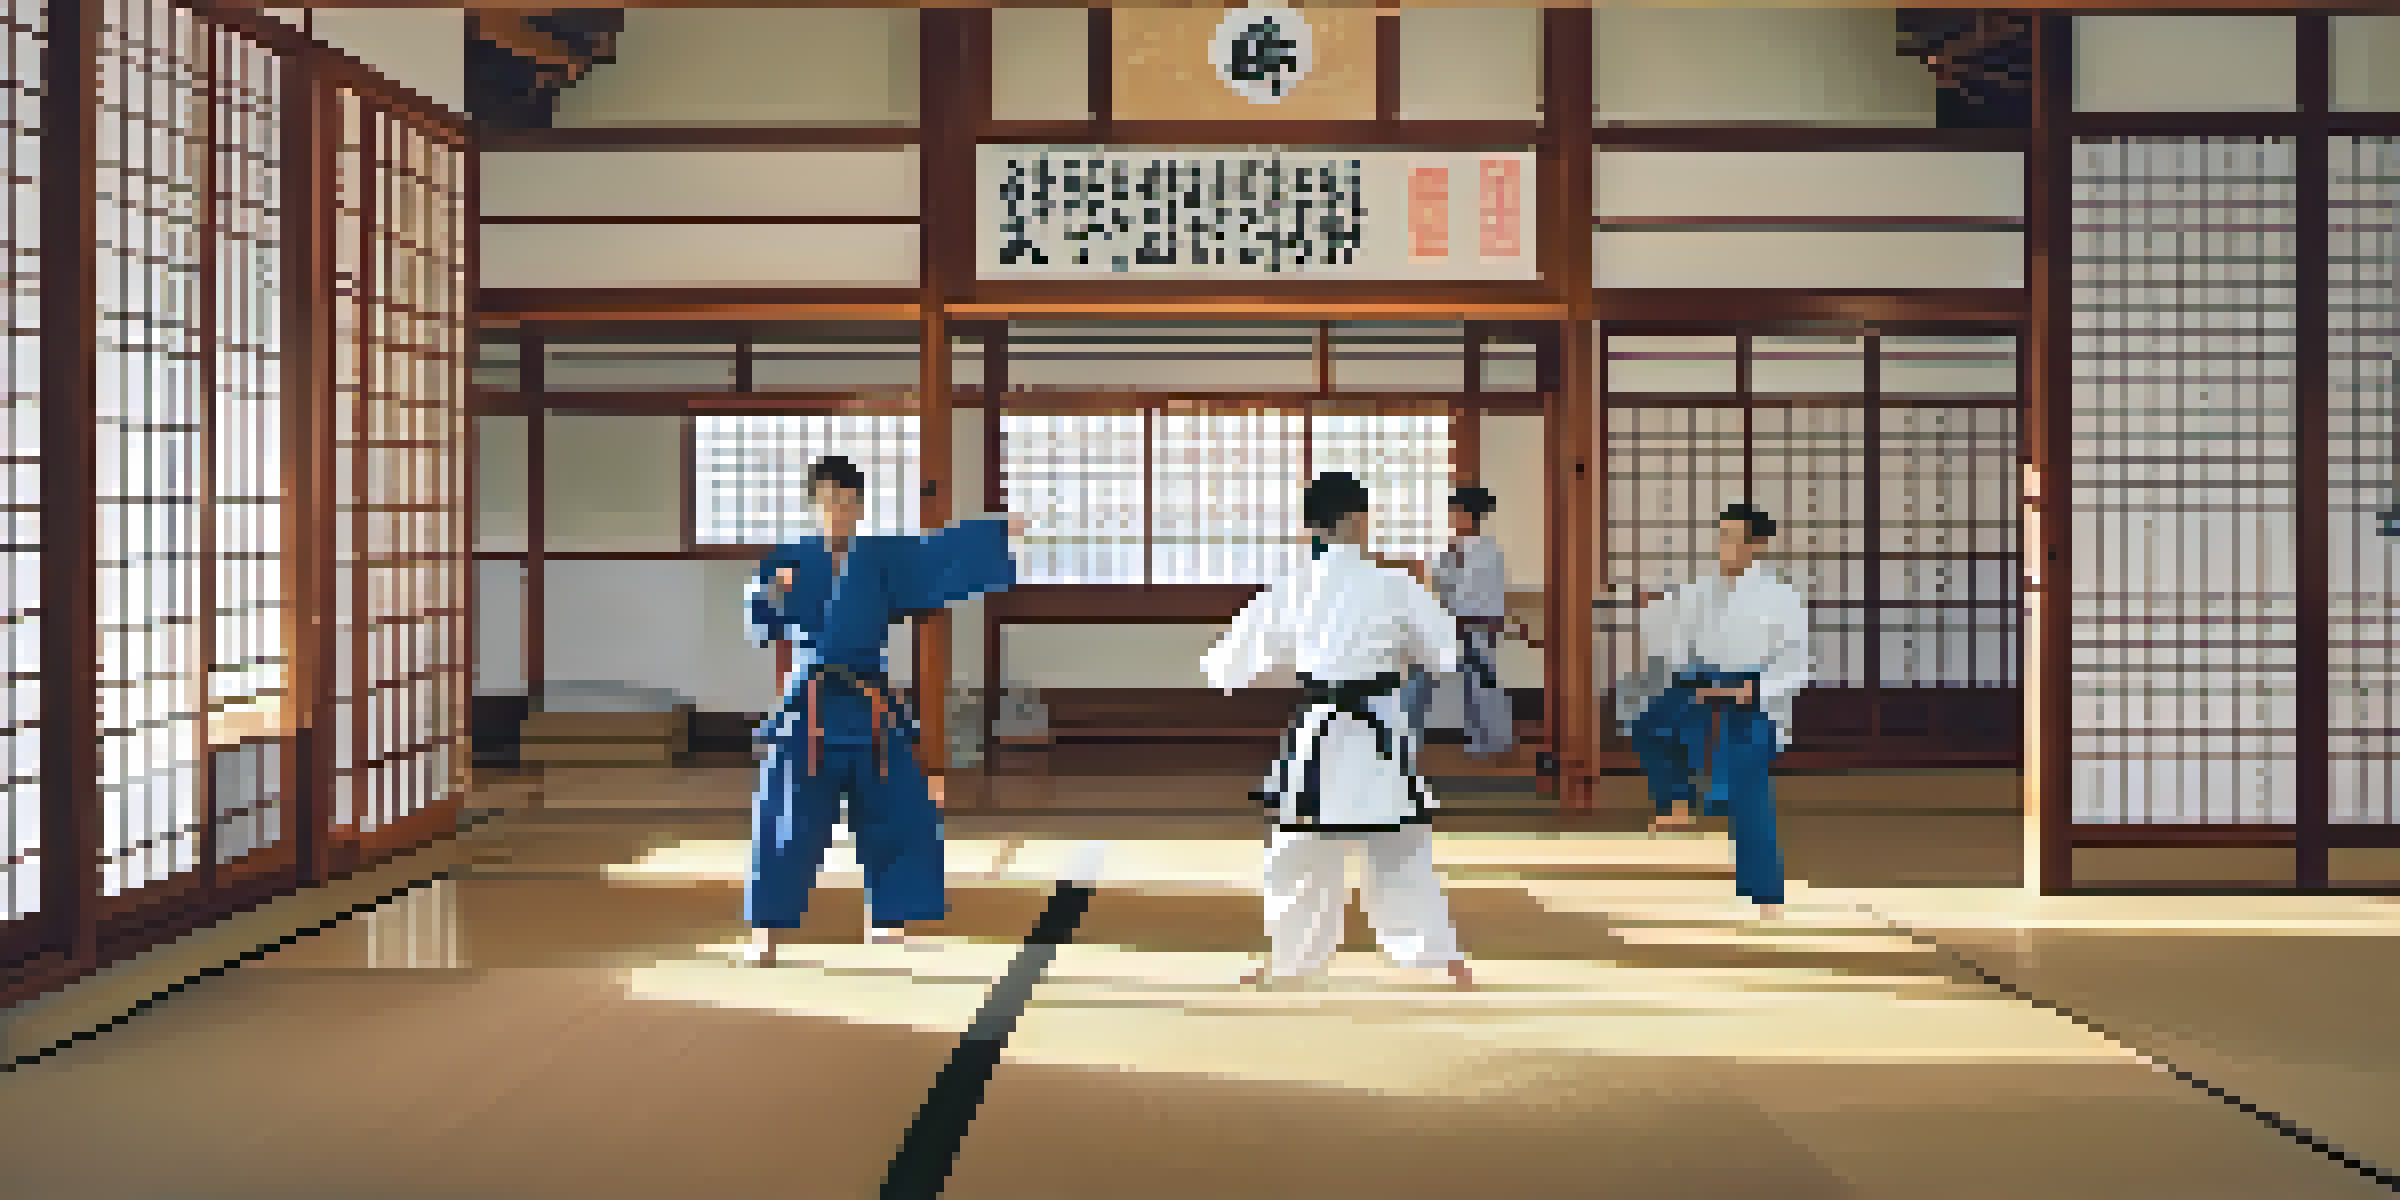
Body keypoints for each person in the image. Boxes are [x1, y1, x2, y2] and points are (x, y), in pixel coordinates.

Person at [743, 456, 1025, 964]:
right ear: (814, 505)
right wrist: (771, 594)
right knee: (787, 817)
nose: (839, 511)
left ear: (860, 506)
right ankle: (768, 929)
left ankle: (887, 916)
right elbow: (757, 622)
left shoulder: (881, 558)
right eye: (830, 501)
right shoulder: (787, 560)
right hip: (809, 707)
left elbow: (937, 554)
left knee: (899, 808)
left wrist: (997, 535)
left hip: (870, 703)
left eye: (849, 501)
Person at [1202, 472, 1476, 990]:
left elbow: (1229, 664)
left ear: (1312, 528)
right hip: (1379, 726)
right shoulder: (1395, 584)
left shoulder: (1294, 586)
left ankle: (1290, 959)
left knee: (1298, 849)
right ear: (1358, 520)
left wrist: (1280, 670)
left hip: (1320, 728)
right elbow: (1446, 655)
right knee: (1400, 847)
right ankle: (1441, 958)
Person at [1615, 502, 1811, 921]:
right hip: (1701, 683)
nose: (1724, 546)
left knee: (1749, 789)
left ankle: (1766, 893)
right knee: (1647, 725)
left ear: (1756, 545)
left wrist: (1753, 689)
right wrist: (1653, 610)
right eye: (1721, 536)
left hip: (1753, 697)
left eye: (1732, 538)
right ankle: (1677, 802)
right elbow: (1676, 633)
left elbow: (1796, 662)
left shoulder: (1780, 596)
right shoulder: (1704, 587)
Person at [1423, 486, 1515, 761]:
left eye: (1455, 512)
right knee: (1469, 683)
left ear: (1469, 516)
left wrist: (1485, 620)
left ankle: (1496, 740)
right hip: (1456, 622)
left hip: (1479, 623)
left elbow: (1487, 590)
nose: (1452, 517)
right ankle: (1479, 738)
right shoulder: (1450, 549)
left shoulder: (1488, 549)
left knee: (1483, 682)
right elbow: (1442, 585)